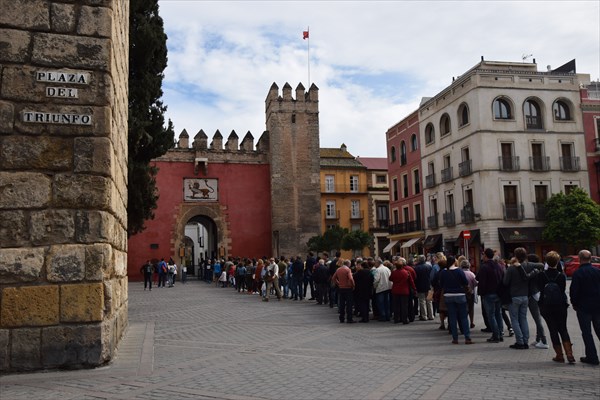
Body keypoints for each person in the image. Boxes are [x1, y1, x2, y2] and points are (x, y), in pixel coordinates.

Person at [538, 251, 574, 363]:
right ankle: (570, 354)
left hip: (546, 305)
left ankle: (559, 355)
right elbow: (562, 291)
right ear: (558, 262)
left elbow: (540, 289)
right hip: (560, 305)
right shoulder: (561, 276)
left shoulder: (541, 275)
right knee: (563, 328)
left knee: (552, 329)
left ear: (546, 262)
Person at [570, 249, 600, 365]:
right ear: (591, 258)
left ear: (579, 258)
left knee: (587, 332)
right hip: (597, 305)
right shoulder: (597, 271)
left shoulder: (578, 273)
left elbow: (574, 291)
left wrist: (574, 303)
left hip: (584, 307)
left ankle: (592, 356)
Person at [503, 248, 538, 349]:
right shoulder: (528, 266)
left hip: (514, 296)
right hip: (525, 295)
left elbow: (505, 282)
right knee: (523, 318)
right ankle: (525, 340)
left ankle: (520, 341)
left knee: (514, 319)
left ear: (515, 256)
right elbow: (540, 266)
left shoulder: (511, 268)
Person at [439, 256, 472, 344]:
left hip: (448, 295)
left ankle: (455, 338)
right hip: (460, 295)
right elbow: (465, 282)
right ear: (454, 262)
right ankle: (467, 337)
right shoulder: (459, 271)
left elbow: (441, 284)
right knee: (463, 317)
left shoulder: (443, 272)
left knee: (452, 317)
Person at [477, 248, 504, 343]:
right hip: (498, 293)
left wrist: (482, 293)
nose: (482, 257)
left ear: (485, 256)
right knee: (498, 314)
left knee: (491, 315)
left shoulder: (484, 267)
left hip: (489, 294)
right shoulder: (499, 266)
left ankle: (496, 335)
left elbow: (480, 280)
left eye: (483, 255)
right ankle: (500, 334)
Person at [525, 253, 548, 349]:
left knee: (537, 319)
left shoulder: (534, 270)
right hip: (538, 294)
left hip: (533, 295)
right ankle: (538, 339)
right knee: (538, 318)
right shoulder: (539, 269)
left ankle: (544, 340)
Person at [389, 257, 416, 324]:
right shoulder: (406, 272)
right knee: (404, 306)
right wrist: (414, 289)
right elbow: (411, 281)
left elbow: (390, 278)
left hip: (395, 291)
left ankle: (396, 319)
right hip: (404, 291)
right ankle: (404, 319)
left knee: (396, 306)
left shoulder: (394, 272)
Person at [332, 259, 355, 323]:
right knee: (349, 304)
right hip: (348, 288)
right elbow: (350, 278)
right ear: (348, 264)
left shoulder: (338, 269)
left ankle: (341, 318)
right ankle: (349, 318)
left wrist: (338, 283)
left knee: (342, 304)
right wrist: (353, 285)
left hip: (341, 288)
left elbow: (333, 278)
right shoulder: (348, 270)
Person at [414, 255, 433, 321]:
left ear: (419, 260)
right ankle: (431, 315)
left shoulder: (416, 268)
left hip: (420, 286)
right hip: (429, 285)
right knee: (429, 301)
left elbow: (415, 278)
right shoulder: (429, 266)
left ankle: (424, 316)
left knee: (422, 301)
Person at [373, 257, 392, 322]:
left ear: (377, 263)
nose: (374, 264)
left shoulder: (378, 270)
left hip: (380, 288)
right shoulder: (387, 269)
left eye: (375, 263)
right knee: (387, 303)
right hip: (387, 287)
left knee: (381, 303)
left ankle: (383, 316)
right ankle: (388, 315)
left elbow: (376, 280)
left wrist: (375, 286)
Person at [460, 259, 478, 329]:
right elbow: (476, 283)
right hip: (470, 293)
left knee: (463, 309)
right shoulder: (471, 274)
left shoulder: (460, 273)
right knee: (471, 308)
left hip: (462, 293)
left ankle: (464, 322)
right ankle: (471, 322)